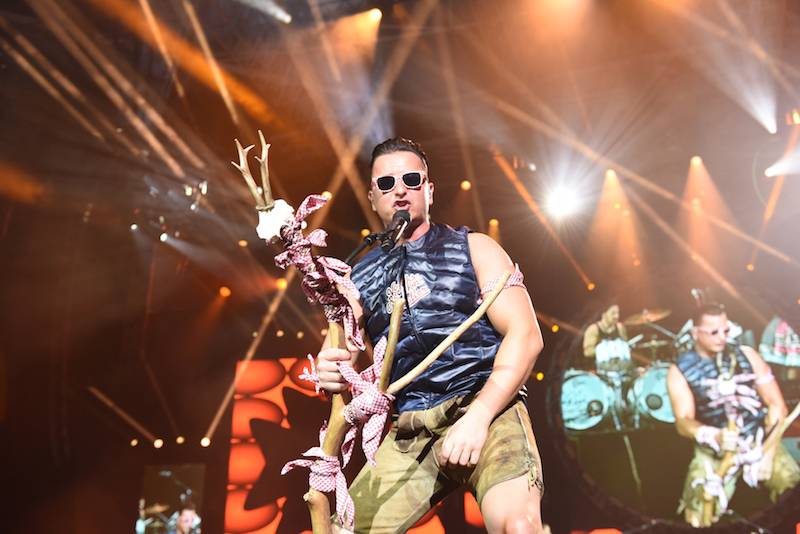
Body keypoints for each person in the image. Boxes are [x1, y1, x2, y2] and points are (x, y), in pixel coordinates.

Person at [316, 137, 545, 533]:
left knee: (519, 526)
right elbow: (338, 355)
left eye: (410, 179)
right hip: (409, 427)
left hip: (485, 410)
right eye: (386, 184)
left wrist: (480, 416)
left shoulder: (475, 247)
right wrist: (329, 370)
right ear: (373, 197)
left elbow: (526, 336)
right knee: (343, 531)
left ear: (429, 189)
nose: (399, 190)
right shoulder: (357, 279)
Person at [666, 304, 800, 527]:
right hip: (715, 450)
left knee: (793, 491)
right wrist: (711, 435)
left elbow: (776, 405)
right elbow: (683, 421)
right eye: (714, 332)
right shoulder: (679, 371)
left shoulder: (747, 355)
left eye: (726, 331)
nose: (722, 338)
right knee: (698, 515)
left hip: (759, 440)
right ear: (695, 332)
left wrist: (767, 452)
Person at [582, 304, 628, 369]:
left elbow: (626, 347)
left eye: (618, 313)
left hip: (619, 368)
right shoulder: (593, 329)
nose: (617, 316)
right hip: (599, 370)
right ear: (604, 314)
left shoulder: (620, 328)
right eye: (613, 313)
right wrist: (607, 349)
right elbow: (587, 352)